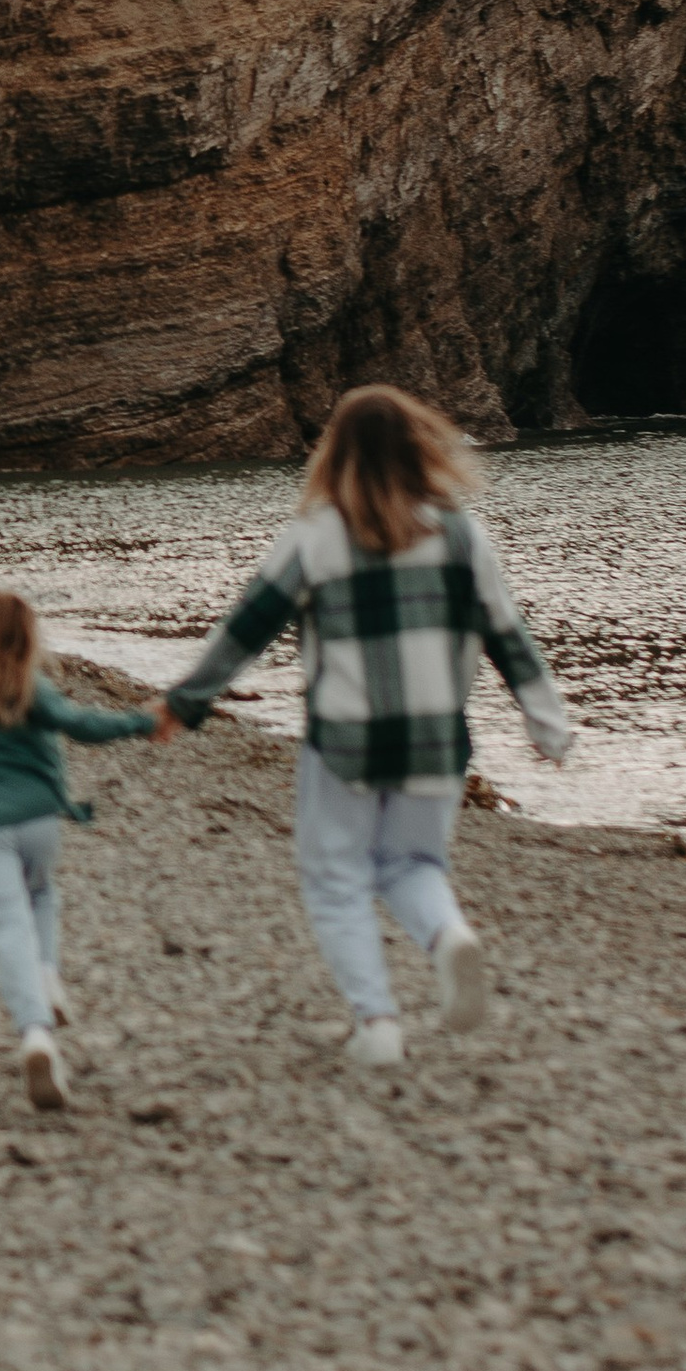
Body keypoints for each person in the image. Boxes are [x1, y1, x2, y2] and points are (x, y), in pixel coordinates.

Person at [155, 384, 575, 1064]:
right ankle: (447, 938)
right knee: (413, 864)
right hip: (436, 740)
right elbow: (507, 633)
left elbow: (246, 632)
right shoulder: (460, 532)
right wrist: (547, 724)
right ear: (419, 448)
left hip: (346, 741)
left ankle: (376, 1024)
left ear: (334, 455)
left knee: (336, 876)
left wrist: (185, 703)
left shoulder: (315, 535)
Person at [0, 584, 158, 1112]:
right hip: (39, 819)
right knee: (41, 896)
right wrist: (146, 721)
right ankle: (49, 977)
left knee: (7, 920)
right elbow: (82, 725)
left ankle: (36, 1033)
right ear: (28, 637)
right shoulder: (32, 691)